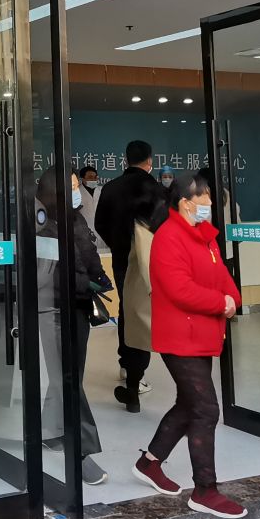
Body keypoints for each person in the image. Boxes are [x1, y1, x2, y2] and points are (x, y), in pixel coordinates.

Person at [133, 170, 246, 518]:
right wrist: (220, 303)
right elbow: (178, 289)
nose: (210, 202)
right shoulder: (169, 237)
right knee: (206, 409)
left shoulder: (205, 236)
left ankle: (149, 462)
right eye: (204, 196)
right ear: (185, 202)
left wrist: (232, 298)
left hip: (203, 334)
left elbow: (223, 276)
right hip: (179, 338)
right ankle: (205, 490)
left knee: (189, 403)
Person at [37, 170, 110, 485]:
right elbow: (52, 276)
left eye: (78, 186)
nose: (77, 192)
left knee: (70, 375)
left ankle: (48, 430)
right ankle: (81, 451)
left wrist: (100, 278)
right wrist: (86, 284)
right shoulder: (41, 226)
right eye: (71, 187)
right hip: (54, 309)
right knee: (67, 379)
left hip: (79, 307)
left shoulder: (75, 218)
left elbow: (89, 254)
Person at [95, 140, 161, 408]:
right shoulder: (156, 189)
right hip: (150, 262)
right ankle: (137, 374)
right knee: (143, 312)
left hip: (122, 259)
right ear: (150, 161)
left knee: (127, 309)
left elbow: (100, 224)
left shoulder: (111, 188)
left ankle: (126, 363)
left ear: (125, 160)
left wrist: (117, 244)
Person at [114, 177, 167, 414]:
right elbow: (147, 260)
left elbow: (144, 260)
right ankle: (133, 393)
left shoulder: (139, 222)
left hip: (141, 291)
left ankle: (132, 393)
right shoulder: (156, 222)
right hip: (155, 290)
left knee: (138, 345)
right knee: (154, 343)